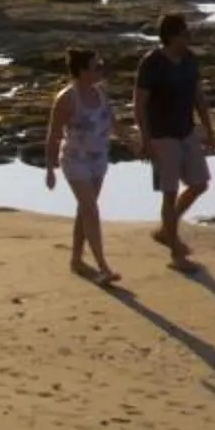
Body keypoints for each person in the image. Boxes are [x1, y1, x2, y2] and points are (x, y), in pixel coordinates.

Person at [134, 9, 215, 270]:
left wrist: (208, 129)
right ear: (171, 37)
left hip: (186, 131)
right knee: (169, 194)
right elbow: (139, 104)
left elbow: (198, 96)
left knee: (200, 183)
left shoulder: (190, 60)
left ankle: (165, 231)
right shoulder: (152, 63)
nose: (189, 37)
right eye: (184, 34)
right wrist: (145, 139)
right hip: (161, 136)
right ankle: (176, 255)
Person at [41, 45, 126, 284]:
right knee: (90, 209)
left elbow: (113, 122)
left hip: (98, 159)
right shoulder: (66, 98)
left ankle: (77, 260)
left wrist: (133, 142)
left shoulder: (100, 93)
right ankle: (103, 267)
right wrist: (49, 169)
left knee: (85, 209)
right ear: (81, 71)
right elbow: (54, 135)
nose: (100, 70)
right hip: (74, 160)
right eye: (95, 67)